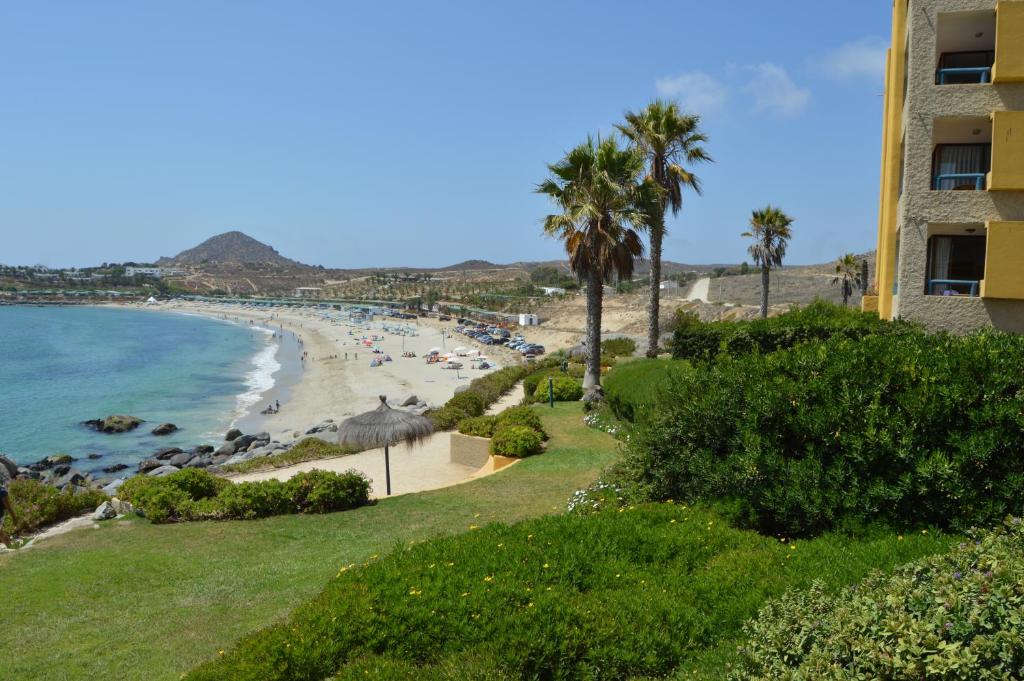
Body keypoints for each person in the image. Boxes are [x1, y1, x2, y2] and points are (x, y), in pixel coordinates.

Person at [0, 455, 20, 548]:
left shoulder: (2, 491)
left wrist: (14, 518)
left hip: (0, 515)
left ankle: (10, 547)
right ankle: (9, 546)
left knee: (0, 533)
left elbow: (8, 507)